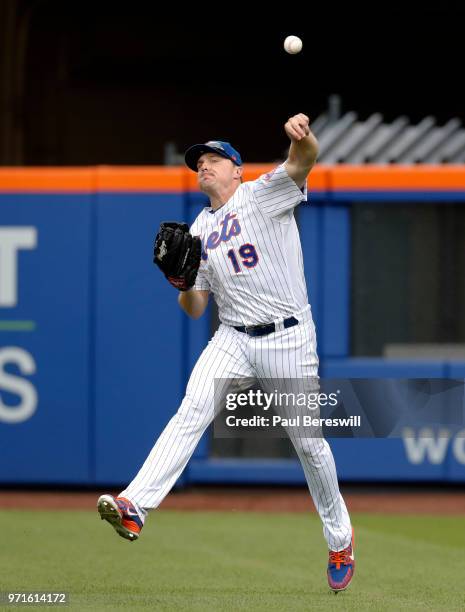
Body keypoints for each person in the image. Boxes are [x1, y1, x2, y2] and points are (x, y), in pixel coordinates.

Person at [97, 113, 354, 593]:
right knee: (190, 412)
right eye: (199, 162)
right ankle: (134, 506)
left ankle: (340, 540)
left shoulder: (261, 193)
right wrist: (179, 281)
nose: (204, 166)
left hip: (288, 337)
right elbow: (196, 307)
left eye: (215, 159)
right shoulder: (197, 230)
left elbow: (304, 162)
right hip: (233, 337)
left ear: (237, 169)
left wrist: (304, 137)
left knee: (310, 445)